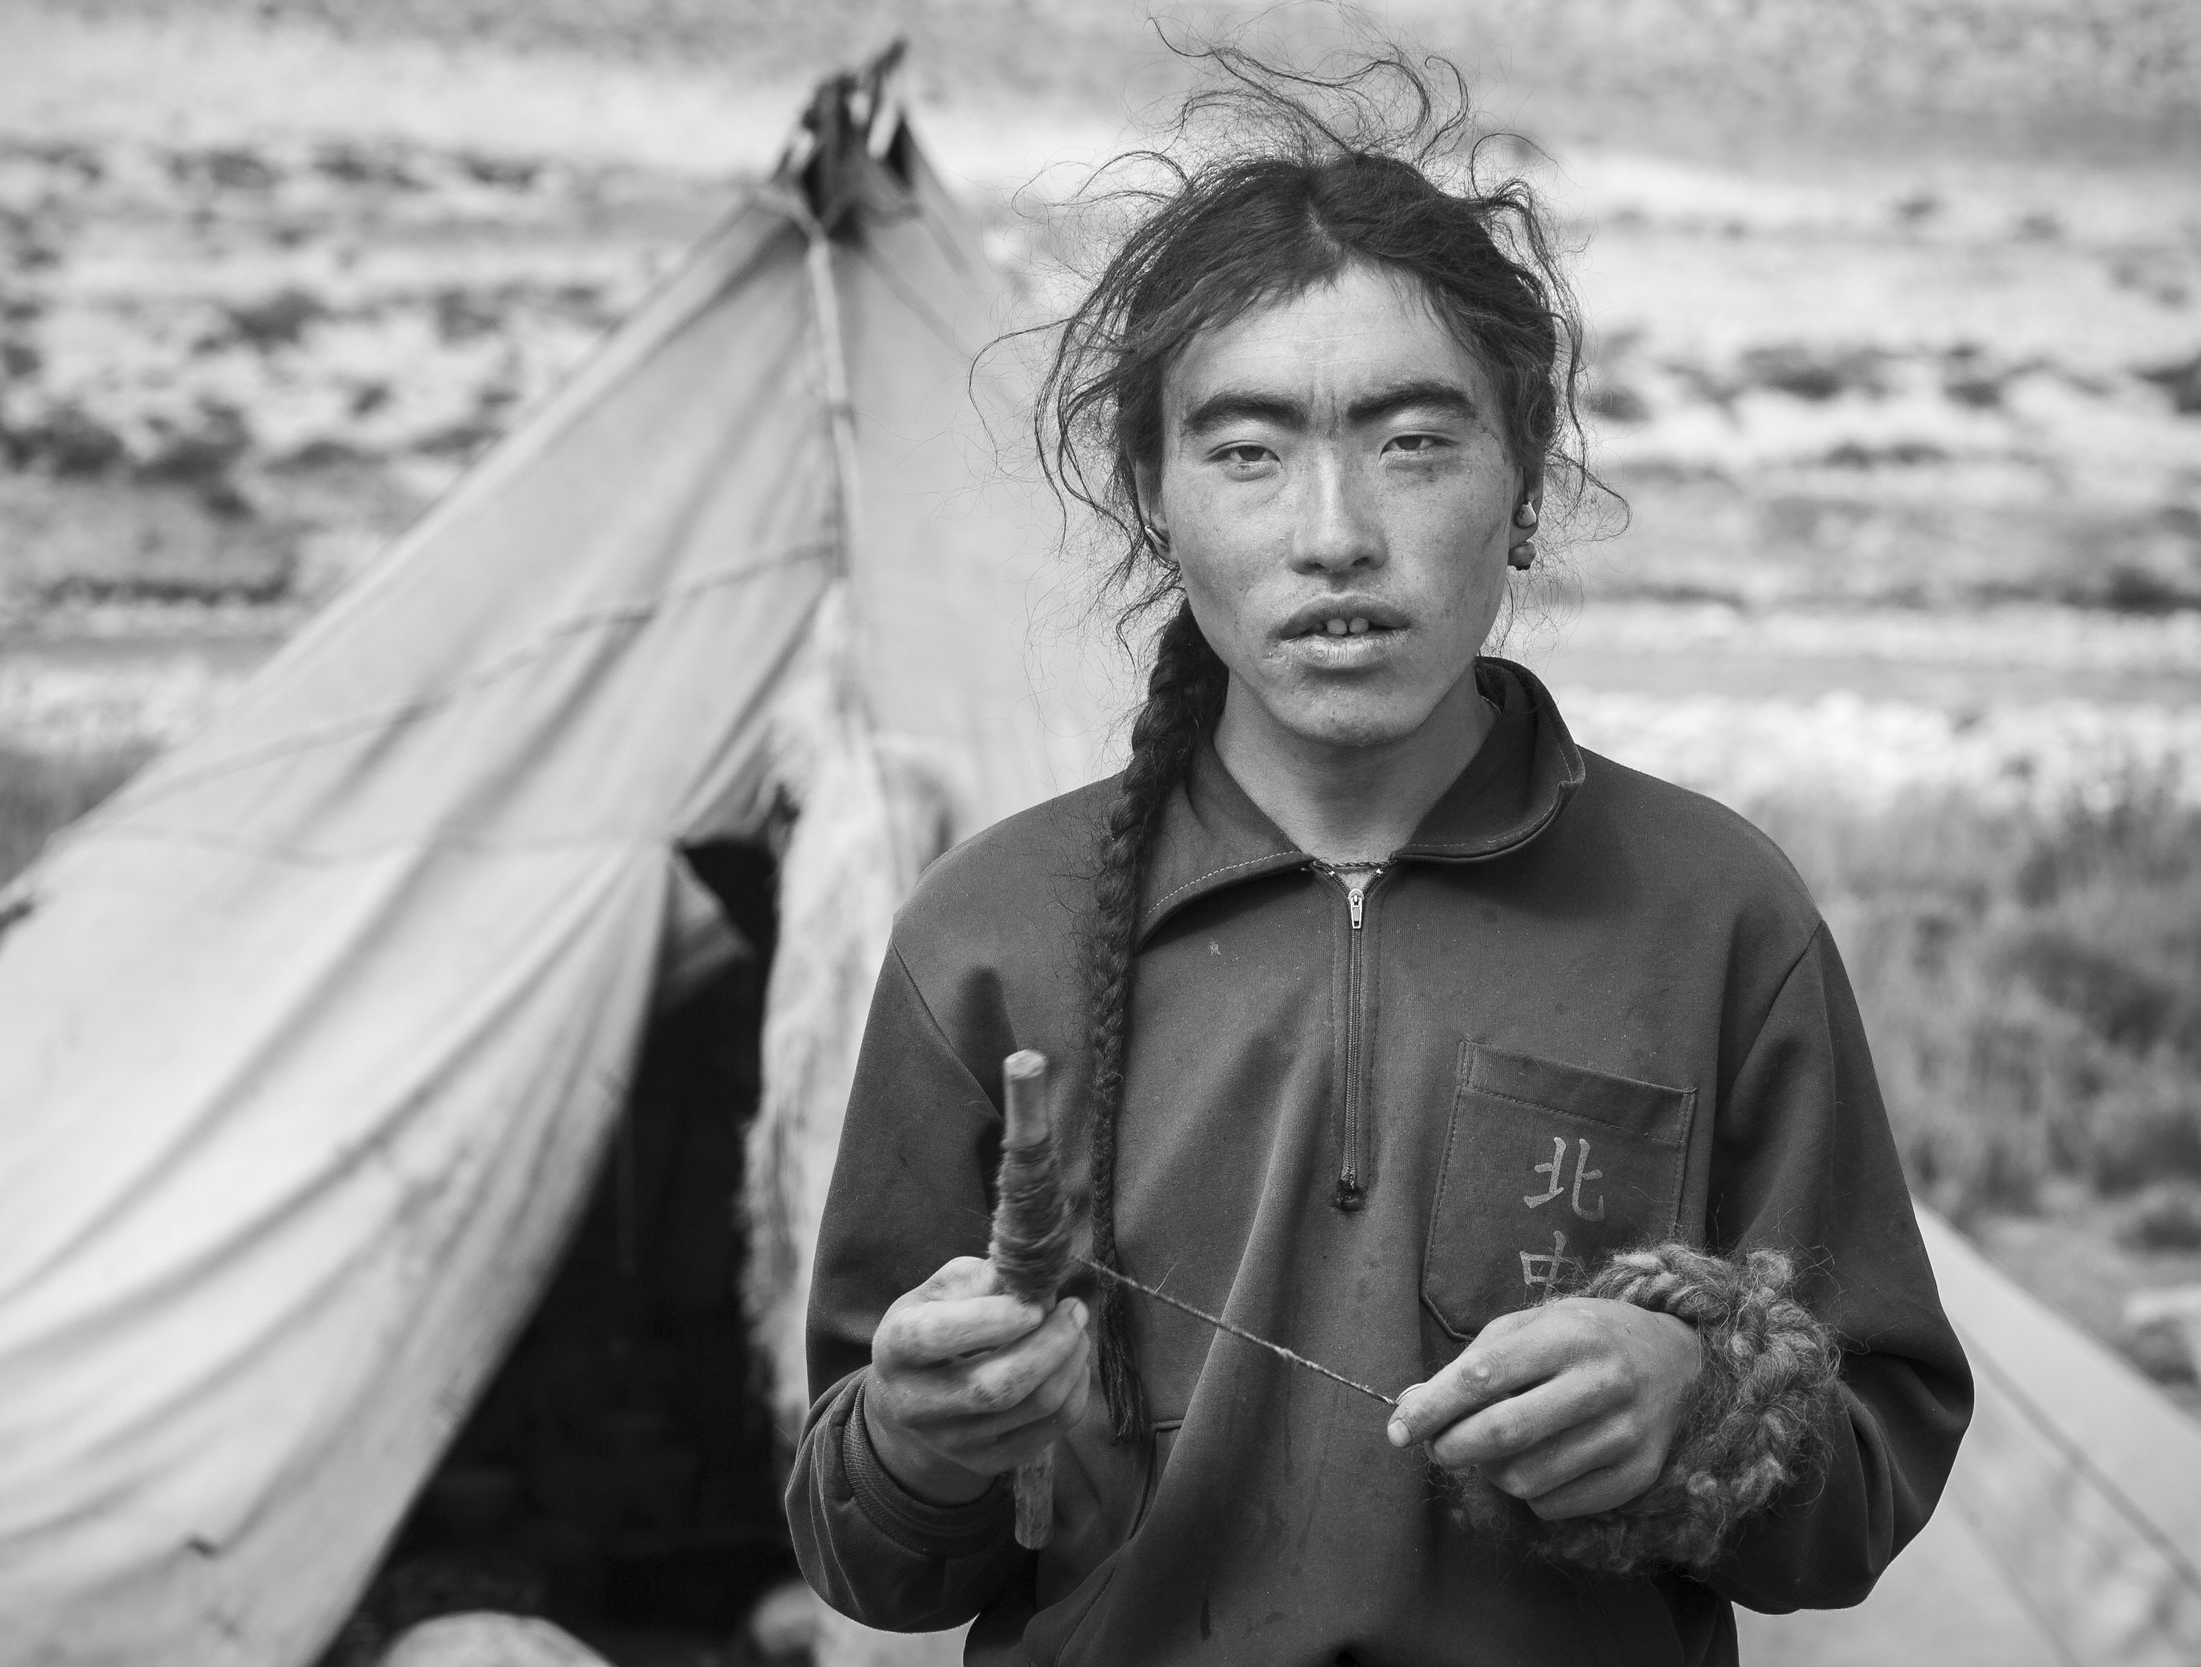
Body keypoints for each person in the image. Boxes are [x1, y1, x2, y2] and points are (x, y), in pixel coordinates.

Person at [785, 48, 1971, 1666]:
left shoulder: (1714, 915)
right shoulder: (988, 936)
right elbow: (870, 1557)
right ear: (1153, 498)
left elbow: (1874, 1471)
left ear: (1527, 485)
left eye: (1415, 443)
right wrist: (919, 1443)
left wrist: (1703, 1406)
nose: (1334, 531)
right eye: (1249, 450)